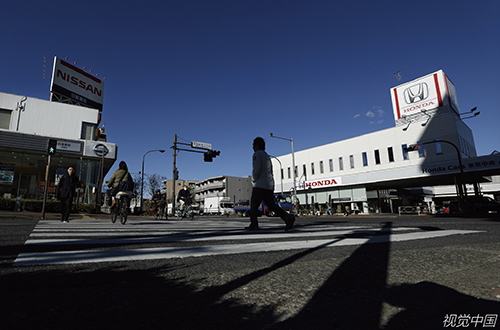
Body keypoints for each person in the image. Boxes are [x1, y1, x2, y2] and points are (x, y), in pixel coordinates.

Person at [248, 137, 295, 231]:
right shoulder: (266, 155)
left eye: (253, 145)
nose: (253, 147)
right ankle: (287, 217)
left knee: (254, 205)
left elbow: (256, 169)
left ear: (256, 146)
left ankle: (254, 224)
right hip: (269, 184)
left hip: (259, 184)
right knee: (271, 204)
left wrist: (253, 180)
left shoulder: (256, 154)